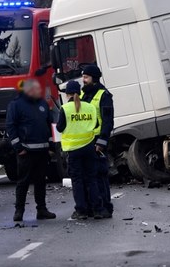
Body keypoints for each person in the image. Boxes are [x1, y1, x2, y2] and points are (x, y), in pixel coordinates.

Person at [57, 80, 109, 220]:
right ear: (79, 93)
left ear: (67, 94)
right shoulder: (89, 107)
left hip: (74, 149)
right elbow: (97, 123)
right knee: (92, 179)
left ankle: (81, 211)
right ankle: (97, 209)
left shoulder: (66, 109)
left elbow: (60, 127)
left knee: (77, 180)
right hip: (89, 147)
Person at [6, 79, 57, 222]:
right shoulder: (16, 105)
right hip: (26, 152)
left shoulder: (42, 104)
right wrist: (18, 148)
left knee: (40, 181)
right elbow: (11, 127)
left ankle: (42, 209)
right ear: (28, 90)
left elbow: (49, 125)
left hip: (42, 151)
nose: (39, 92)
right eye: (36, 89)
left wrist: (51, 146)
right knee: (23, 182)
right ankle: (19, 211)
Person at [80, 65, 114, 216]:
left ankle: (105, 207)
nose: (83, 80)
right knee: (88, 176)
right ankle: (93, 207)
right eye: (83, 77)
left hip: (97, 141)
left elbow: (107, 121)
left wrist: (102, 141)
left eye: (86, 77)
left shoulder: (103, 95)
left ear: (94, 78)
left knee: (100, 175)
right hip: (84, 141)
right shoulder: (83, 95)